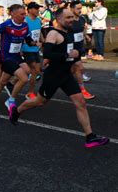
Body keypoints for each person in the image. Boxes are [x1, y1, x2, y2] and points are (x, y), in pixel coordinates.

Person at [10, 8, 109, 148]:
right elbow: (48, 54)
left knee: (80, 102)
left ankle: (90, 137)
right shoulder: (53, 34)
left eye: (72, 17)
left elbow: (73, 51)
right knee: (39, 102)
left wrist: (76, 55)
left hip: (66, 75)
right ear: (59, 19)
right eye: (68, 17)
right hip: (53, 76)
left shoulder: (69, 32)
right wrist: (67, 56)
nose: (71, 20)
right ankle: (17, 111)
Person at [0, 4, 34, 114]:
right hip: (6, 57)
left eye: (25, 13)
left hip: (16, 56)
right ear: (13, 14)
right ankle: (11, 100)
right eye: (22, 14)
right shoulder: (6, 25)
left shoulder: (25, 25)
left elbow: (28, 39)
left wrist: (35, 42)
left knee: (4, 81)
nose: (24, 16)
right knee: (24, 78)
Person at [70, 1, 95, 99]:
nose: (80, 10)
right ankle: (82, 91)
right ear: (71, 8)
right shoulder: (69, 20)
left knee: (72, 69)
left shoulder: (81, 19)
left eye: (81, 8)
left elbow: (82, 29)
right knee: (79, 68)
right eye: (78, 9)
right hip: (71, 50)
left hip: (79, 48)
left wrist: (86, 36)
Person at [21, 2, 44, 100]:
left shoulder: (38, 20)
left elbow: (39, 32)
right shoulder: (25, 21)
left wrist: (43, 41)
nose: (38, 10)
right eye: (36, 8)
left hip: (36, 48)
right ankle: (30, 92)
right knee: (34, 68)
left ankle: (13, 82)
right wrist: (21, 48)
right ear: (29, 10)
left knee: (36, 71)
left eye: (38, 8)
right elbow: (21, 35)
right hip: (26, 48)